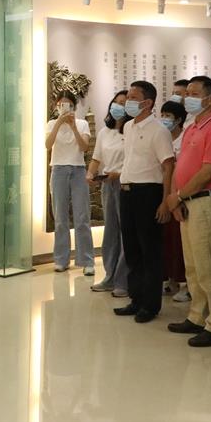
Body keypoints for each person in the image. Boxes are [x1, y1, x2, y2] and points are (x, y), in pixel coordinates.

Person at [166, 76, 211, 347]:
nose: (187, 99)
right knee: (193, 266)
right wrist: (176, 198)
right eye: (187, 94)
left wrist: (178, 196)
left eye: (194, 94)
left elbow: (208, 172)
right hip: (187, 201)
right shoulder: (192, 127)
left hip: (205, 201)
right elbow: (181, 165)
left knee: (208, 266)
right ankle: (197, 316)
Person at [114, 81, 175, 323]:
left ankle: (150, 305)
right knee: (132, 249)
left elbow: (168, 166)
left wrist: (165, 201)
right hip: (127, 191)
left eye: (133, 97)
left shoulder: (159, 130)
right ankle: (136, 298)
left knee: (149, 250)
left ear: (147, 103)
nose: (128, 101)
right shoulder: (128, 126)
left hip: (149, 192)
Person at [45, 91, 94, 274]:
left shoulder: (82, 124)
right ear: (56, 106)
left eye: (68, 105)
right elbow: (47, 145)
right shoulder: (51, 124)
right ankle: (61, 259)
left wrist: (73, 127)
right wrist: (59, 122)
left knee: (82, 217)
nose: (64, 108)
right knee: (60, 218)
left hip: (78, 170)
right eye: (61, 105)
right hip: (58, 169)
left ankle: (86, 260)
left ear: (74, 106)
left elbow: (84, 147)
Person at [87, 91, 129, 296]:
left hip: (125, 183)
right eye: (116, 102)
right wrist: (90, 173)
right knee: (110, 231)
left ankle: (123, 280)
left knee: (125, 232)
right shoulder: (104, 132)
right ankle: (109, 276)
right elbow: (96, 158)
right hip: (107, 184)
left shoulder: (131, 130)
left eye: (123, 103)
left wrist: (119, 174)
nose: (118, 106)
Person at [159, 101, 191, 303]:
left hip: (180, 193)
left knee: (181, 242)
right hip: (163, 192)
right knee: (167, 240)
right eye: (162, 114)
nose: (164, 119)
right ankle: (170, 279)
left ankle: (186, 284)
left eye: (168, 116)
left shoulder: (186, 137)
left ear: (179, 119)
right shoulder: (161, 137)